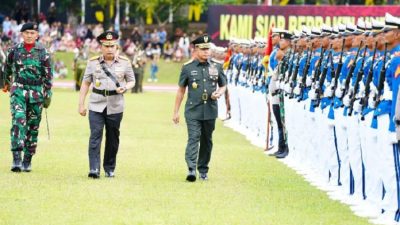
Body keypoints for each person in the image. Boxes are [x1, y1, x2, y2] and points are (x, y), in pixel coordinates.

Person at [78, 31, 135, 179]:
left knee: (113, 137)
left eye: (112, 46)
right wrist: (81, 104)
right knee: (95, 135)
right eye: (106, 46)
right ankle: (94, 168)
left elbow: (132, 80)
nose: (109, 48)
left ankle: (109, 168)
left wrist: (126, 87)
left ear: (117, 46)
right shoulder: (92, 63)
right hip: (96, 104)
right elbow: (85, 83)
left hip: (116, 105)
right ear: (101, 47)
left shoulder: (125, 62)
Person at [173, 34, 227, 182]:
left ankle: (203, 169)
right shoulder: (187, 68)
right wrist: (176, 111)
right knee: (193, 138)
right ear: (195, 49)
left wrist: (219, 93)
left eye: (208, 49)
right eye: (202, 49)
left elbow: (223, 85)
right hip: (193, 110)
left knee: (207, 140)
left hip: (210, 109)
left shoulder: (216, 66)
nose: (206, 52)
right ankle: (191, 169)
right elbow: (181, 91)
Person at [3, 22, 53, 172]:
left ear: (37, 35)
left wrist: (47, 94)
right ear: (22, 34)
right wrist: (6, 83)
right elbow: (7, 68)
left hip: (36, 93)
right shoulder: (14, 50)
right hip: (18, 90)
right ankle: (16, 159)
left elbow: (48, 75)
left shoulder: (43, 52)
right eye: (27, 33)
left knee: (33, 127)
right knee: (18, 121)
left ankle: (27, 160)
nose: (29, 36)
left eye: (32, 33)